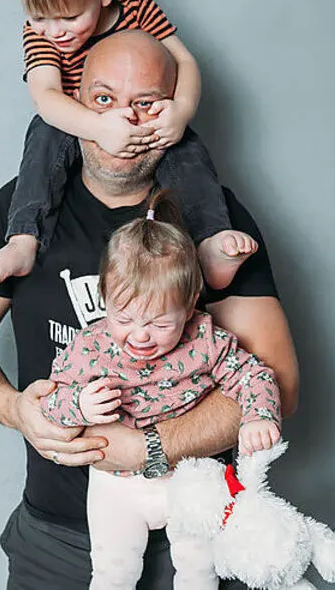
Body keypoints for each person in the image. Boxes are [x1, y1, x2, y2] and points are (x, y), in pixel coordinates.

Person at [0, 30, 300, 590]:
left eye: (146, 104)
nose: (123, 123)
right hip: (56, 541)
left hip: (197, 532)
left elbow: (279, 382)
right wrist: (16, 410)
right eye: (103, 99)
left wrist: (151, 449)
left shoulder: (215, 222)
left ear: (175, 110)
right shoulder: (21, 213)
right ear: (74, 102)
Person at [0, 0, 258, 295]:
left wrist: (181, 110)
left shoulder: (136, 7)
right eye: (39, 16)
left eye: (70, 16)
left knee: (186, 147)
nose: (55, 31)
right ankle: (24, 240)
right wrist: (99, 128)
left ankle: (209, 241)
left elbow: (184, 61)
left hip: (141, 119)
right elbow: (46, 96)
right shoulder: (40, 36)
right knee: (44, 131)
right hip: (79, 121)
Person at [41, 191, 281, 589]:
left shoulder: (204, 338)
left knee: (199, 568)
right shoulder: (90, 347)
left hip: (188, 477)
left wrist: (259, 415)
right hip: (116, 483)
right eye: (124, 319)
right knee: (113, 572)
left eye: (159, 324)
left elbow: (253, 374)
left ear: (189, 307)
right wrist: (80, 405)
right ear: (105, 298)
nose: (140, 335)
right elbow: (50, 402)